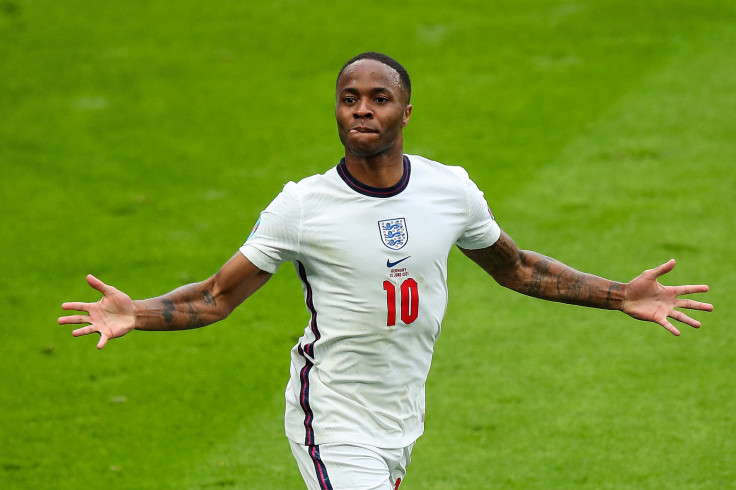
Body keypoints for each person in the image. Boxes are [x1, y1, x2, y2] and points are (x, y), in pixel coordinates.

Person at [58, 52, 713, 490]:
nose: (362, 109)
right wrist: (137, 313)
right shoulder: (303, 206)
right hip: (332, 412)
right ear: (337, 111)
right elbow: (215, 296)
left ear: (405, 111)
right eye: (349, 98)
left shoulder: (449, 191)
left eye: (379, 98)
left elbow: (516, 269)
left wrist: (619, 295)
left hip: (401, 412)